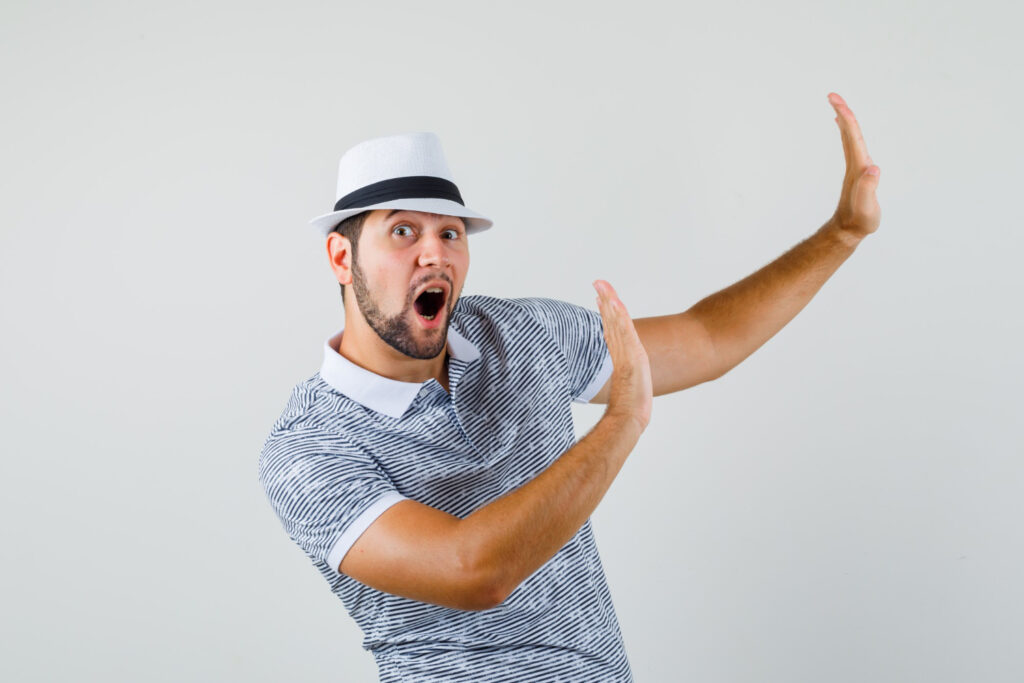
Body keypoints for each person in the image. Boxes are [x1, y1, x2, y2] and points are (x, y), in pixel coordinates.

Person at [259, 92, 881, 682]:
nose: (435, 255)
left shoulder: (519, 332)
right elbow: (473, 569)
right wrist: (620, 424)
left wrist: (842, 233)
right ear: (342, 258)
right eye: (403, 232)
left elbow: (708, 338)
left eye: (449, 233)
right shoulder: (308, 447)